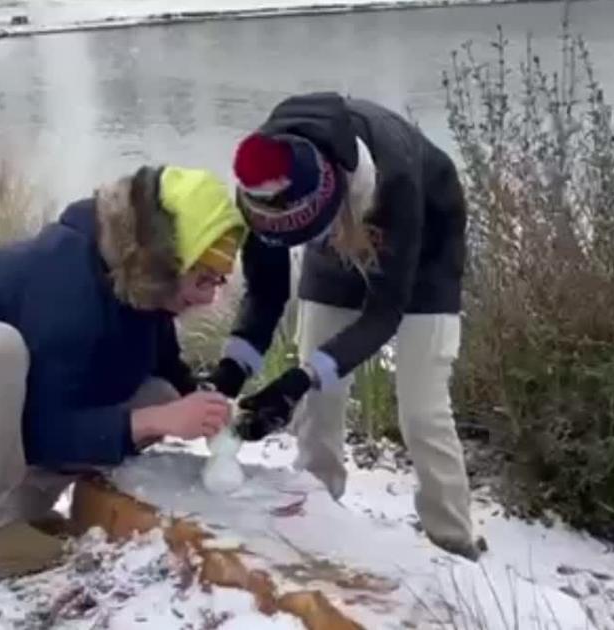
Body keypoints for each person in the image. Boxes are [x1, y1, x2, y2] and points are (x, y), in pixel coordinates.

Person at [0, 165, 244, 578]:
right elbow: (41, 430)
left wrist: (210, 407)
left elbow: (168, 373)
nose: (210, 297)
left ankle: (23, 512)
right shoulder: (67, 281)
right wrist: (152, 422)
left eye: (219, 282)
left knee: (157, 393)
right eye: (203, 279)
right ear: (168, 258)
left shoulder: (139, 282)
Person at [205, 92, 480, 560]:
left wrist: (300, 376)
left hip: (424, 254)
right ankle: (317, 509)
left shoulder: (394, 176)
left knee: (422, 411)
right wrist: (229, 375)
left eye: (302, 237)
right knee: (318, 402)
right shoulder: (266, 185)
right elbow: (267, 294)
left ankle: (453, 539)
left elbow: (383, 315)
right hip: (335, 228)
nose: (293, 246)